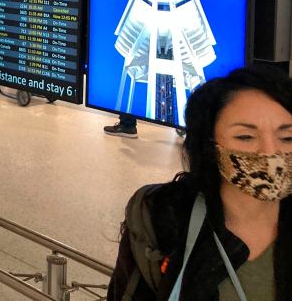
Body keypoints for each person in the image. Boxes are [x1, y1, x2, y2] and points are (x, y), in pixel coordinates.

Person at [107, 65, 292, 300]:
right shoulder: (161, 218)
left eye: (287, 137)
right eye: (245, 137)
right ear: (210, 145)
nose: (270, 151)